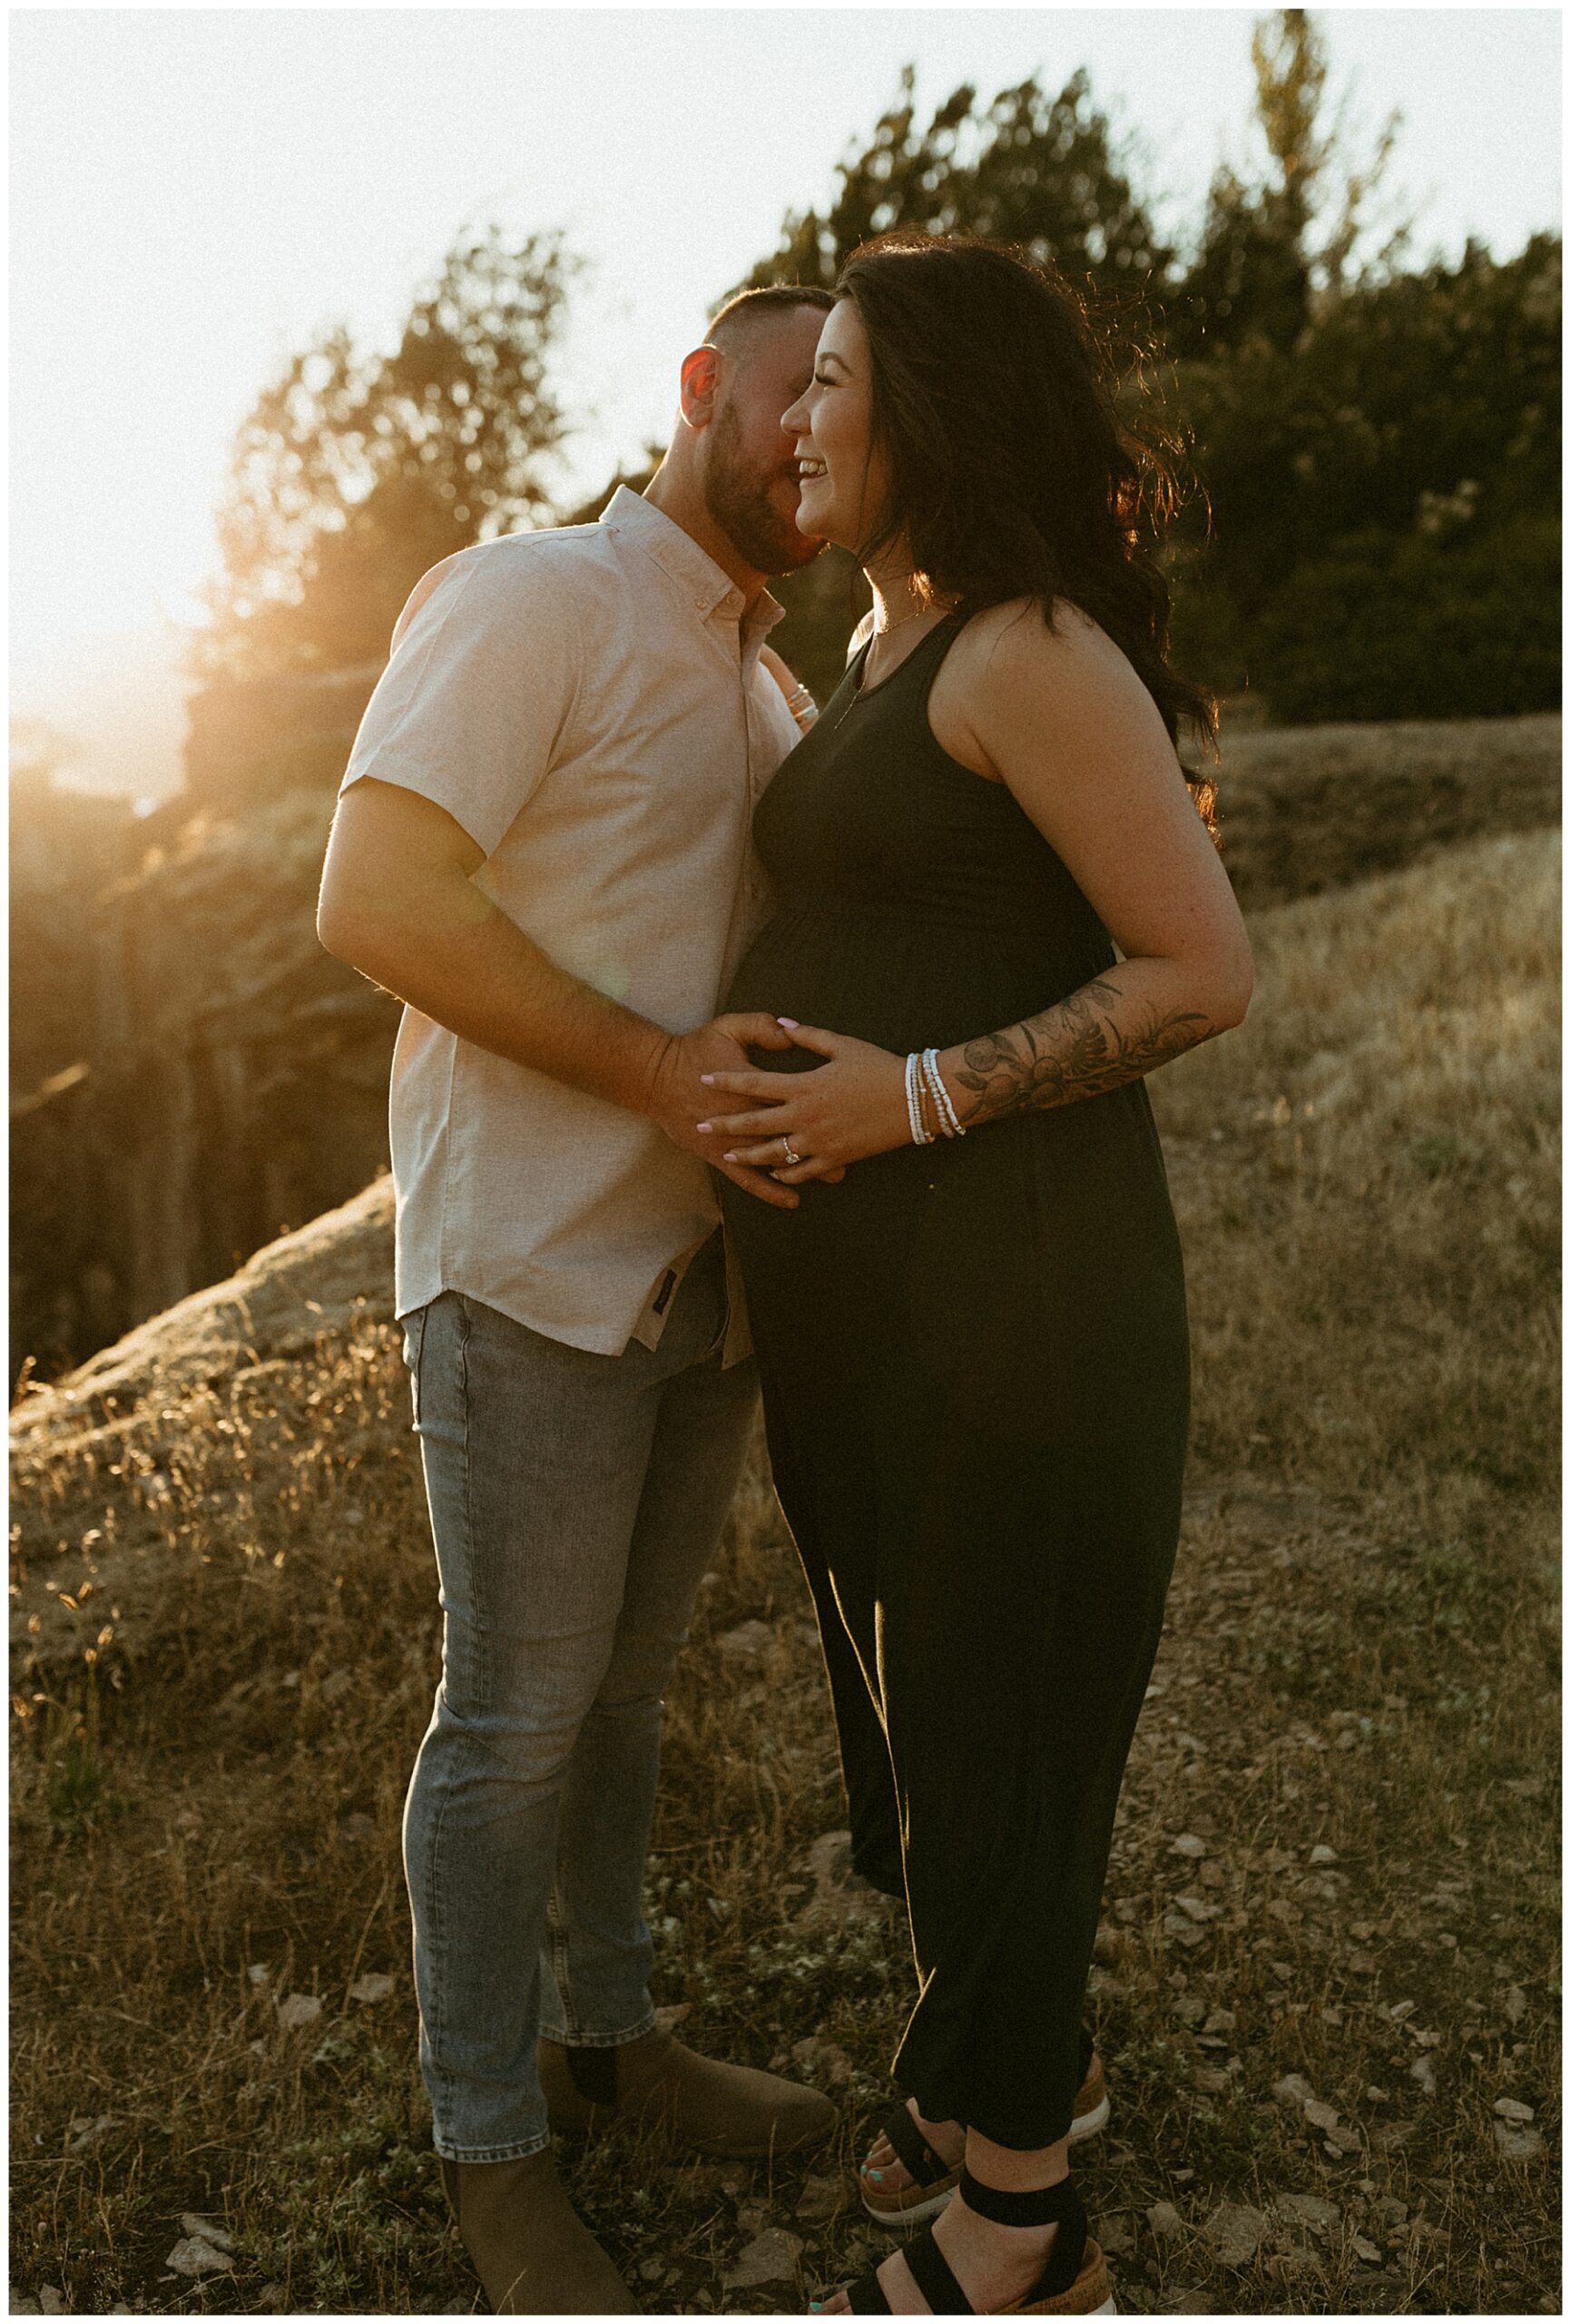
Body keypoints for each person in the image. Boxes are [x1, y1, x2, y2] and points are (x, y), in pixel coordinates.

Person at [701, 234, 1253, 2318]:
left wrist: (906, 1098)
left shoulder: (1021, 647)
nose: (800, 416)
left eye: (834, 376)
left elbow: (1198, 968)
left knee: (1000, 1722)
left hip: (1013, 1300)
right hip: (877, 1310)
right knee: (930, 1722)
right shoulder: (884, 645)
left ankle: (1020, 2222)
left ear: (932, 404)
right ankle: (1001, 2069)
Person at [315, 282, 842, 2317]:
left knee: (622, 1695)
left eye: (848, 410)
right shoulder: (530, 594)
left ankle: (613, 2045)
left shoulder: (772, 687)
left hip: (701, 1283)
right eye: (796, 389)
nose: (814, 434)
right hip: (529, 1254)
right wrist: (650, 1076)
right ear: (704, 387)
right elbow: (370, 894)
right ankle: (488, 2148)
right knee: (515, 1717)